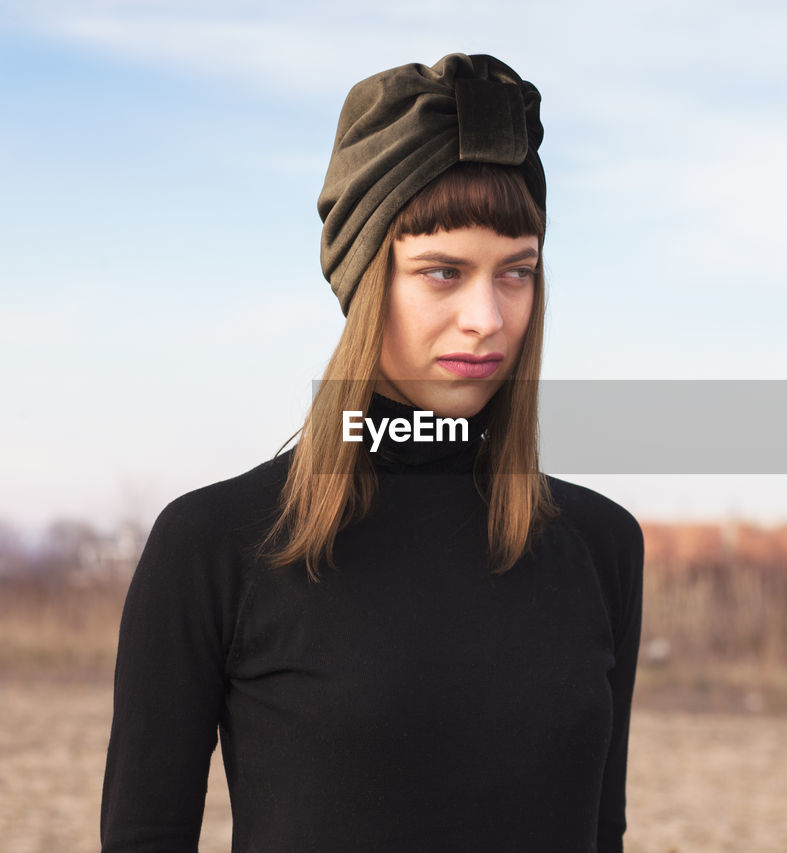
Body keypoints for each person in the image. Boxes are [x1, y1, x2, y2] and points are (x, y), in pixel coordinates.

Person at [100, 53, 644, 853]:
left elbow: (602, 833)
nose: (486, 317)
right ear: (364, 280)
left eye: (516, 272)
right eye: (442, 272)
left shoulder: (601, 545)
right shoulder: (216, 543)